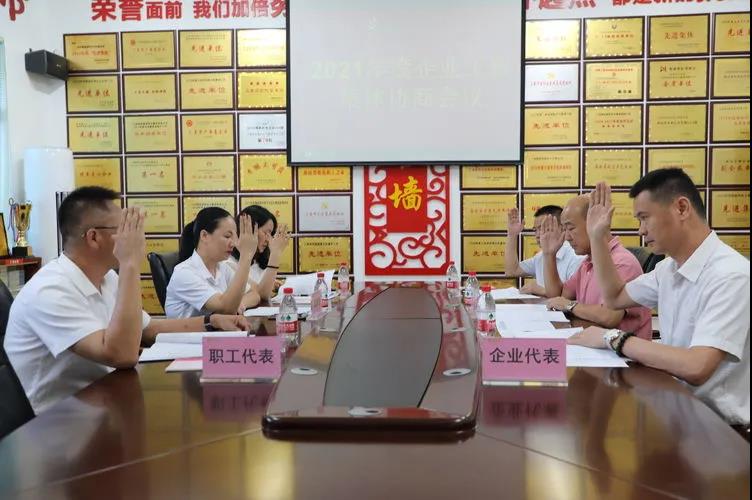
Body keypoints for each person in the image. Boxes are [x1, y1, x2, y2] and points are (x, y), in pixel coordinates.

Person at [4, 187, 249, 414]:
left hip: (104, 402)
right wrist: (130, 263)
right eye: (124, 228)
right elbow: (121, 354)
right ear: (94, 237)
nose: (136, 236)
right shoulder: (50, 290)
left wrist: (211, 322)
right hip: (55, 424)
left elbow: (149, 329)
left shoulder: (106, 277)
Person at [568, 171, 749, 429]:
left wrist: (614, 338)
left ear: (682, 208)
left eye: (644, 218)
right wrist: (597, 236)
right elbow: (615, 297)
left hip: (721, 429)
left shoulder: (730, 275)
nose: (641, 230)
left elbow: (696, 366)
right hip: (679, 410)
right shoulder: (668, 268)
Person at [539, 194, 652, 339]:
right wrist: (549, 254)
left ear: (594, 222)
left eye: (571, 228)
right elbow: (558, 297)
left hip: (620, 351)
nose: (567, 237)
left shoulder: (623, 262)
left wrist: (570, 305)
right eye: (564, 230)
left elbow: (609, 317)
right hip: (592, 341)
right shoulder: (587, 262)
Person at [166, 207, 260, 317]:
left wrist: (240, 303)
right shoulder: (184, 273)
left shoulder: (222, 267)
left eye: (235, 236)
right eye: (227, 236)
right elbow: (226, 308)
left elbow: (254, 294)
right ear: (204, 236)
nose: (234, 243)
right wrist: (245, 256)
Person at [504, 205, 584, 296]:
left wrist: (541, 290)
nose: (538, 235)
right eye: (535, 230)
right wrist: (512, 235)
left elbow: (573, 297)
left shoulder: (576, 256)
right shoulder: (540, 256)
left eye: (543, 228)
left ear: (562, 228)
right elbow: (512, 271)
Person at [226, 205, 291, 301]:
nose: (269, 239)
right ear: (249, 229)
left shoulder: (257, 262)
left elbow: (264, 292)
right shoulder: (228, 263)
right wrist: (275, 254)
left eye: (271, 234)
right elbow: (262, 294)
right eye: (265, 233)